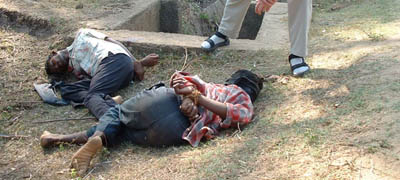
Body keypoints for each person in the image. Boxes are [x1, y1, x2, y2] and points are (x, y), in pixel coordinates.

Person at [39, 70, 263, 176]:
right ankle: (59, 139)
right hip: (176, 131)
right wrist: (192, 105)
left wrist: (193, 97)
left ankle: (92, 137)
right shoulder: (236, 97)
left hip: (164, 103)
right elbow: (238, 117)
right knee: (123, 132)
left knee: (118, 114)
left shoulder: (232, 91)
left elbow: (178, 79)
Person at [45, 28, 159, 119]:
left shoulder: (82, 34)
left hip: (113, 58)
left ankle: (112, 119)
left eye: (53, 63)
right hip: (116, 75)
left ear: (54, 53)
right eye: (57, 70)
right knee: (66, 91)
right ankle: (108, 100)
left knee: (92, 96)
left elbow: (113, 42)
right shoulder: (76, 69)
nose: (57, 66)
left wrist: (136, 62)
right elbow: (97, 79)